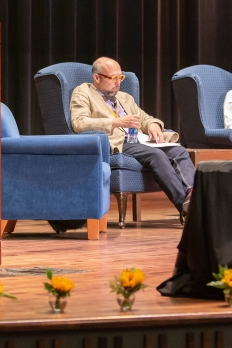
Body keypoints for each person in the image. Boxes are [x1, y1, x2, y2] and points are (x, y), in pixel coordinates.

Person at [70, 57, 196, 224]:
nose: (118, 82)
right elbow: (79, 123)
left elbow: (144, 118)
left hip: (139, 140)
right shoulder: (83, 92)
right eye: (112, 78)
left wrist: (153, 125)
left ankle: (192, 194)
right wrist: (115, 122)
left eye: (120, 77)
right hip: (118, 142)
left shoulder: (124, 98)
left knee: (178, 151)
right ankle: (189, 210)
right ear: (97, 78)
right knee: (156, 155)